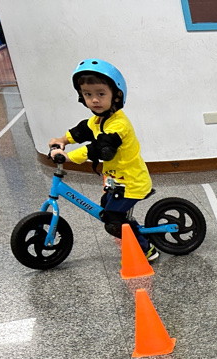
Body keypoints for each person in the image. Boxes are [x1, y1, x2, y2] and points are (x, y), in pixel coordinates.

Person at [47, 59, 157, 260]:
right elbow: (82, 130)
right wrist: (62, 140)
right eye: (88, 95)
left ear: (116, 95)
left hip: (132, 182)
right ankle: (129, 228)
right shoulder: (99, 119)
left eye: (101, 94)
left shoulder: (118, 125)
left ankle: (146, 249)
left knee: (112, 220)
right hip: (116, 181)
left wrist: (69, 156)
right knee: (106, 206)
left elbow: (100, 147)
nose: (94, 100)